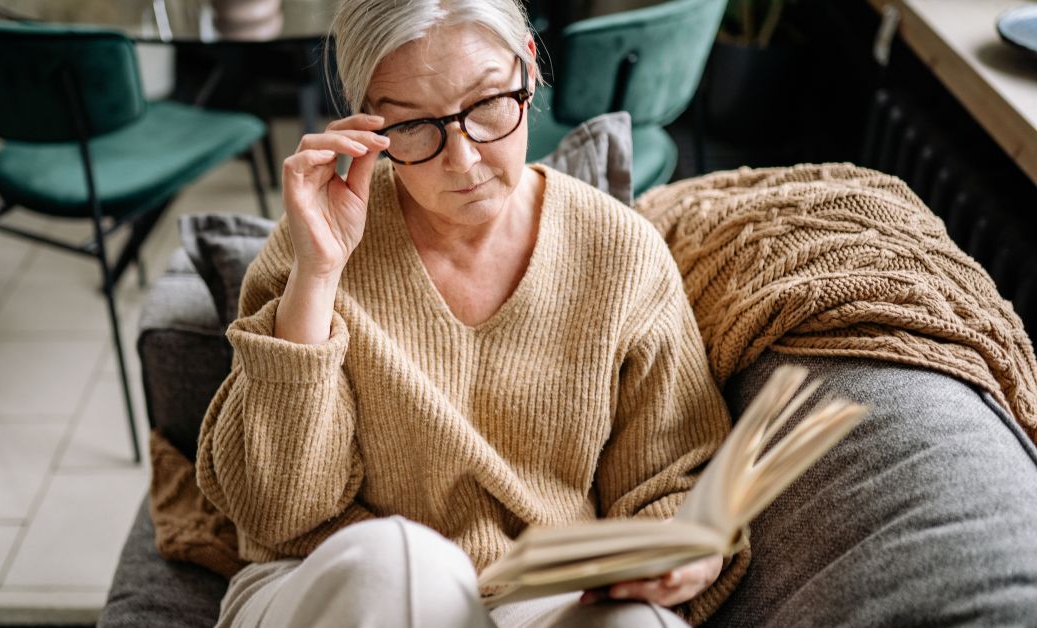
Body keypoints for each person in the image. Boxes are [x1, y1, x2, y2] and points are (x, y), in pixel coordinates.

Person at [195, 0, 747, 625]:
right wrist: (318, 274)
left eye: (486, 106)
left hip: (538, 596)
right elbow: (278, 511)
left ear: (529, 70)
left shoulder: (619, 253)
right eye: (411, 127)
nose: (462, 160)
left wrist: (680, 551)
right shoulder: (310, 248)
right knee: (402, 565)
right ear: (365, 122)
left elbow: (674, 477)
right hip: (330, 579)